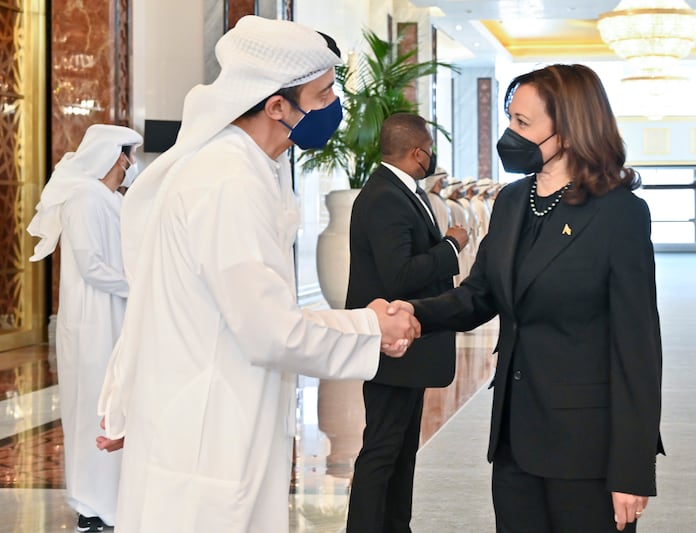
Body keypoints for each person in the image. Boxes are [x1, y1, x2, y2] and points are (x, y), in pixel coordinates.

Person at [93, 17, 419, 533]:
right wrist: (370, 328)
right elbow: (271, 331)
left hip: (214, 417)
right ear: (276, 106)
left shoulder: (248, 168)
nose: (335, 107)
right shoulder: (227, 182)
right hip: (208, 435)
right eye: (323, 93)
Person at [400, 64, 664, 532]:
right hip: (515, 437)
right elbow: (480, 295)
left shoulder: (620, 213)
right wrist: (413, 313)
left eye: (523, 124)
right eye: (510, 119)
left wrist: (633, 467)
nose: (509, 133)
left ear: (568, 127)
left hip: (587, 450)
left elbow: (638, 349)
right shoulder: (512, 200)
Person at [345, 112, 468, 532]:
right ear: (418, 153)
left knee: (400, 448)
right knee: (382, 448)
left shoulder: (401, 191)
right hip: (390, 344)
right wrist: (451, 245)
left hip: (407, 346)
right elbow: (398, 275)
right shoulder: (384, 196)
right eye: (430, 151)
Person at [26, 124, 143, 532]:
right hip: (92, 321)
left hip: (115, 317)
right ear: (111, 156)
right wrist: (142, 286)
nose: (130, 164)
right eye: (126, 155)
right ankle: (92, 505)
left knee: (113, 406)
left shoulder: (109, 199)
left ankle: (113, 501)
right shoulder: (84, 198)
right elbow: (93, 266)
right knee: (91, 408)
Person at [423, 166, 451, 236]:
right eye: (444, 178)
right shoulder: (432, 199)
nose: (447, 180)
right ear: (438, 179)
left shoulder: (438, 198)